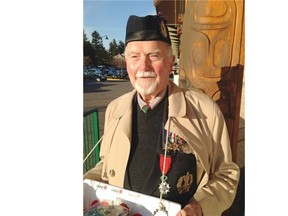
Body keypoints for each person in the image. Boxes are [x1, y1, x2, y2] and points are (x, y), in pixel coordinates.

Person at [84, 14, 240, 216]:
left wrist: (200, 207)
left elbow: (226, 173)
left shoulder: (204, 110)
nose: (143, 66)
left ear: (170, 62)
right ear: (127, 63)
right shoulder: (115, 108)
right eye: (134, 57)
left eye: (154, 56)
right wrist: (85, 183)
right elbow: (106, 166)